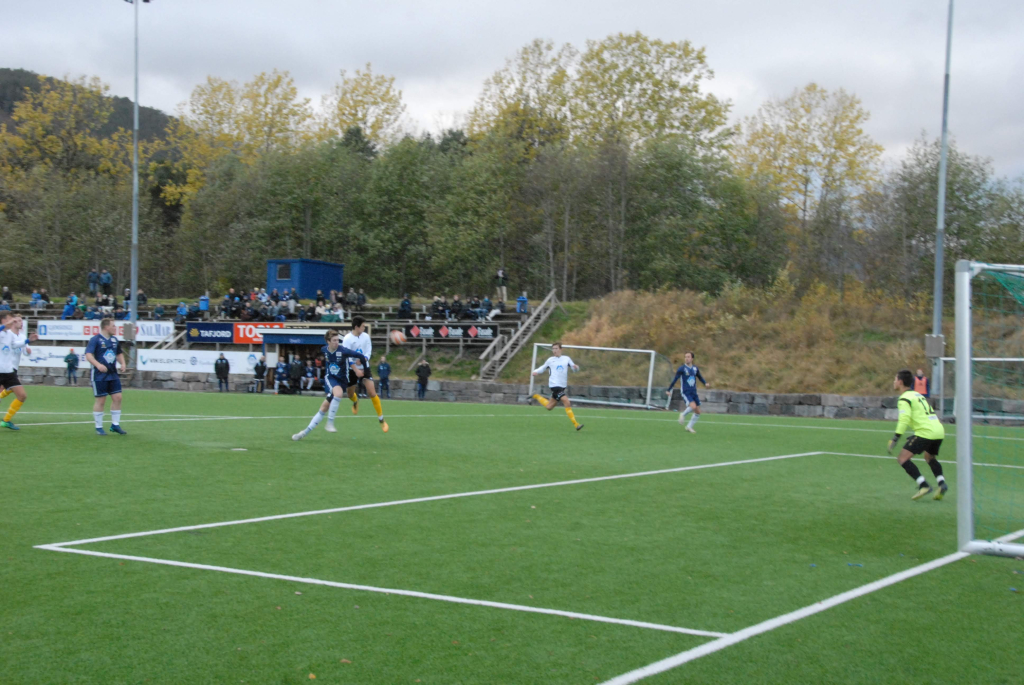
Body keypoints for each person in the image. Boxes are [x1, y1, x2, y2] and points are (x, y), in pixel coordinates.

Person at [292, 330, 369, 440]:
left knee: (324, 408)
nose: (337, 342)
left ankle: (304, 433)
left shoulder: (343, 350)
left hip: (342, 381)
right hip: (331, 378)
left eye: (338, 340)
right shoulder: (324, 350)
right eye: (334, 340)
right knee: (338, 394)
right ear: (328, 341)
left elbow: (358, 355)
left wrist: (363, 363)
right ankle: (330, 423)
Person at [888, 369, 948, 500]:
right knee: (929, 457)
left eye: (895, 379)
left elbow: (904, 420)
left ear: (900, 382)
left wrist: (895, 438)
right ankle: (941, 483)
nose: (894, 382)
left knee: (902, 459)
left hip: (926, 432)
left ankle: (923, 485)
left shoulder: (904, 398)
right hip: (938, 430)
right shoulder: (917, 395)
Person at [342, 316, 388, 431]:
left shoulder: (366, 336)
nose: (364, 328)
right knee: (350, 394)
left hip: (364, 367)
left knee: (372, 393)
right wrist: (356, 369)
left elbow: (368, 351)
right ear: (356, 327)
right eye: (363, 326)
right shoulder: (347, 339)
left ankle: (381, 420)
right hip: (352, 369)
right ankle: (355, 401)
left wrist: (364, 360)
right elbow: (347, 357)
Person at [84, 318, 127, 436]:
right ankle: (99, 427)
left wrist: (123, 363)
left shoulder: (114, 340)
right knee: (101, 400)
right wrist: (98, 365)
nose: (115, 328)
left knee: (118, 397)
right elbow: (88, 355)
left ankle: (115, 424)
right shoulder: (95, 339)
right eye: (113, 326)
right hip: (99, 375)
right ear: (106, 327)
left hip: (113, 374)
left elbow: (119, 353)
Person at [530, 342, 583, 431]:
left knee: (549, 407)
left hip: (562, 386)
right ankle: (576, 424)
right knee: (566, 401)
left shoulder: (566, 359)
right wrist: (535, 371)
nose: (554, 350)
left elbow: (574, 369)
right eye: (553, 349)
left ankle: (535, 395)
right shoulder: (550, 360)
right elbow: (542, 368)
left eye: (556, 348)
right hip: (554, 385)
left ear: (560, 349)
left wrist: (576, 367)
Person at [0, 313, 39, 430]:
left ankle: (6, 420)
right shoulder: (2, 332)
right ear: (3, 320)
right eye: (10, 319)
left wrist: (28, 340)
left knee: (22, 396)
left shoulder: (10, 335)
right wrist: (5, 325)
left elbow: (14, 345)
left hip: (8, 371)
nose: (13, 321)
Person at [667, 351, 710, 433]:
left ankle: (689, 427)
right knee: (693, 406)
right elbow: (675, 379)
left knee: (698, 412)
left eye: (688, 357)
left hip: (694, 392)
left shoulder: (695, 368)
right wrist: (669, 390)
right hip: (686, 391)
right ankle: (682, 414)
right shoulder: (682, 369)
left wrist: (705, 383)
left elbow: (700, 377)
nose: (686, 358)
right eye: (685, 357)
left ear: (692, 358)